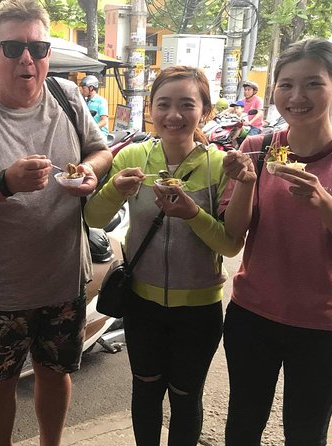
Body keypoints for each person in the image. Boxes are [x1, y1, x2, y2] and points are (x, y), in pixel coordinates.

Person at [0, 0, 112, 444]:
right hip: (2, 287)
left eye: (38, 46)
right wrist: (5, 182)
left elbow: (101, 150)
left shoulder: (67, 96)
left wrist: (91, 169)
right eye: (13, 47)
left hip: (64, 276)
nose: (27, 59)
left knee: (56, 372)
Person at [85, 66, 244, 446]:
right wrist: (115, 192)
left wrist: (192, 214)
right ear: (151, 110)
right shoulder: (134, 157)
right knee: (145, 390)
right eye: (164, 104)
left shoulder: (220, 165)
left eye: (186, 104)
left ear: (203, 110)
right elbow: (93, 217)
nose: (174, 115)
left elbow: (230, 244)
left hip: (200, 309)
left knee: (187, 397)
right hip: (143, 304)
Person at [221, 38, 332, 445]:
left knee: (305, 433)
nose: (297, 97)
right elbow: (234, 233)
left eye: (313, 84)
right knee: (242, 426)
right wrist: (246, 183)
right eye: (286, 85)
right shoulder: (258, 148)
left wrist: (322, 202)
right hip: (252, 315)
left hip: (325, 325)